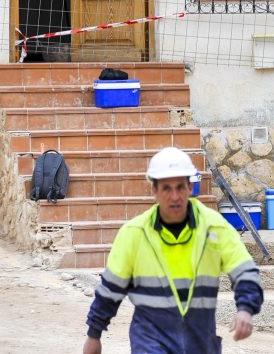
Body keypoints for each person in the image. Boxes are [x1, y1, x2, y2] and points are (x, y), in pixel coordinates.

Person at [83, 147, 263, 354]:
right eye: (167, 188)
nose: (174, 196)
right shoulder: (134, 233)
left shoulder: (215, 228)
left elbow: (245, 272)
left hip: (200, 342)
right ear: (154, 191)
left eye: (180, 187)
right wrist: (93, 334)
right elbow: (111, 288)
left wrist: (246, 309)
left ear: (190, 187)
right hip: (150, 341)